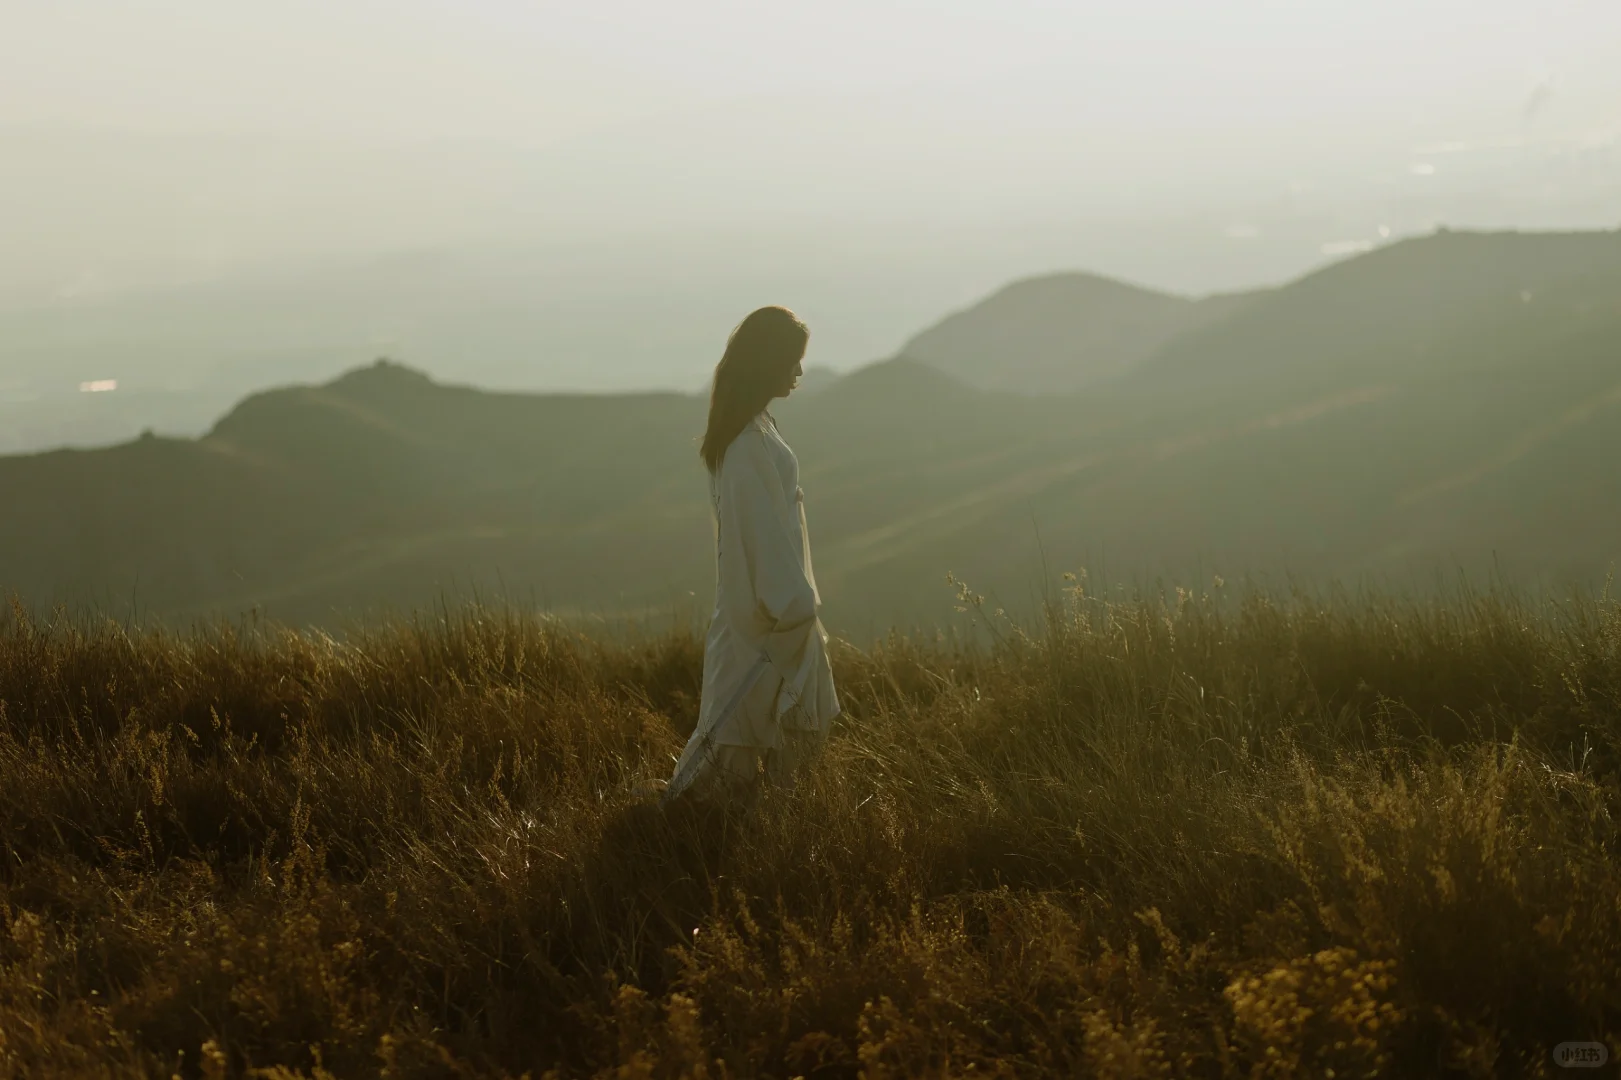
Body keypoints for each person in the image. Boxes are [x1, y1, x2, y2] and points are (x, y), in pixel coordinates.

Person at [663, 305, 840, 802]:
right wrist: (793, 606)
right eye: (792, 360)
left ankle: (774, 846)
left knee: (767, 757)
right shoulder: (746, 448)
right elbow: (757, 538)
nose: (800, 372)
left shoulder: (757, 429)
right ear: (769, 361)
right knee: (727, 770)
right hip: (764, 622)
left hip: (771, 617)